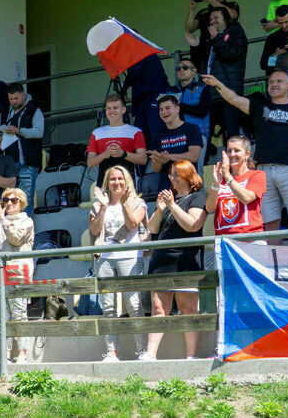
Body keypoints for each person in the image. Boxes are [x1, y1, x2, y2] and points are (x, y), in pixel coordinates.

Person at [203, 70, 288, 243]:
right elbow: (233, 99)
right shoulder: (259, 106)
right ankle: (272, 267)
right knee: (269, 224)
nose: (274, 84)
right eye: (271, 81)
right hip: (263, 172)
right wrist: (218, 84)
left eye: (279, 81)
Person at [142, 160, 207, 361]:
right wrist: (160, 209)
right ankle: (150, 354)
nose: (172, 178)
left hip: (185, 258)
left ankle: (191, 355)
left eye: (176, 174)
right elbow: (152, 229)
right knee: (158, 309)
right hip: (161, 258)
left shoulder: (197, 197)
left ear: (188, 176)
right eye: (171, 175)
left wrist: (172, 205)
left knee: (188, 309)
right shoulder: (168, 199)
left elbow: (192, 226)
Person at [89, 166, 147, 362]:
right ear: (107, 182)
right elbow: (95, 230)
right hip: (104, 257)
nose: (116, 182)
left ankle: (142, 351)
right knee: (108, 307)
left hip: (130, 256)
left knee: (133, 304)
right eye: (112, 179)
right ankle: (112, 352)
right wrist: (103, 207)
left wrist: (124, 204)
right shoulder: (98, 204)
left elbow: (132, 225)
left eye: (120, 179)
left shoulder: (137, 202)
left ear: (127, 180)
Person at [0, 188, 35, 363]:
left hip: (17, 273)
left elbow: (16, 239)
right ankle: (6, 354)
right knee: (3, 315)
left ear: (22, 203)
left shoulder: (27, 221)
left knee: (19, 314)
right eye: (6, 200)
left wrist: (2, 220)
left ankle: (22, 353)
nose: (9, 203)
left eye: (14, 200)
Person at [191, 7, 247, 142]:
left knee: (232, 132)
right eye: (210, 19)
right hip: (211, 93)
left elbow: (231, 54)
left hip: (229, 91)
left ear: (225, 18)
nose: (212, 21)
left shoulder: (235, 32)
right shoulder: (211, 39)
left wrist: (216, 38)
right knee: (211, 135)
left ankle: (236, 161)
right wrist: (195, 47)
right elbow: (200, 66)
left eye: (216, 18)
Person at [0, 83, 43, 218]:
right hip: (8, 162)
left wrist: (19, 131)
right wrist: (1, 129)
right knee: (9, 201)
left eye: (16, 98)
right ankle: (12, 233)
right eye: (11, 99)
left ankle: (25, 234)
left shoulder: (34, 110)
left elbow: (39, 132)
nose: (14, 102)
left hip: (28, 162)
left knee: (25, 200)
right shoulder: (5, 112)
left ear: (24, 95)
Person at [205, 138, 266, 237]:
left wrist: (227, 175)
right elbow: (209, 208)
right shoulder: (221, 179)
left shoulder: (257, 175)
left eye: (237, 150)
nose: (232, 154)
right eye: (229, 151)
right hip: (224, 240)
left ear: (247, 154)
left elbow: (246, 198)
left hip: (251, 238)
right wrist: (216, 184)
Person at [145, 95, 202, 195]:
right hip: (166, 189)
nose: (164, 112)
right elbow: (155, 168)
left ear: (177, 109)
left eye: (167, 108)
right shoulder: (157, 135)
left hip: (189, 186)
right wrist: (159, 161)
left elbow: (194, 156)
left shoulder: (192, 129)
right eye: (161, 109)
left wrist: (169, 157)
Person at [86, 95, 148, 185]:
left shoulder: (135, 131)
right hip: (103, 186)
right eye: (109, 108)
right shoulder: (97, 133)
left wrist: (123, 154)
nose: (111, 111)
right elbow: (90, 162)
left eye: (115, 108)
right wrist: (104, 154)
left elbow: (143, 159)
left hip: (129, 186)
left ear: (123, 110)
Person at [168, 59, 212, 169]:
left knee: (197, 173)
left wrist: (180, 106)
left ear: (194, 71)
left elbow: (203, 111)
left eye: (185, 68)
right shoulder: (170, 91)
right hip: (174, 136)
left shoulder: (203, 89)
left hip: (197, 135)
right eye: (178, 68)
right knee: (177, 172)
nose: (181, 70)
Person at [119, 52, 169, 148]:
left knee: (155, 131)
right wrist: (135, 112)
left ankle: (158, 159)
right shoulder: (135, 54)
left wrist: (123, 88)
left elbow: (134, 72)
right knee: (140, 134)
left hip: (154, 95)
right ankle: (144, 160)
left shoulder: (144, 51)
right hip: (142, 100)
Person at [260, 5, 288, 75]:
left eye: (286, 22)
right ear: (276, 21)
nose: (284, 26)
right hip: (280, 79)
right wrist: (275, 56)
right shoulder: (272, 38)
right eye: (280, 23)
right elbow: (263, 64)